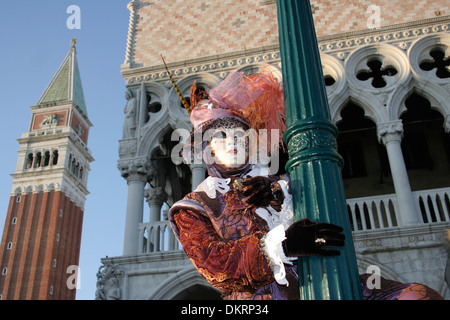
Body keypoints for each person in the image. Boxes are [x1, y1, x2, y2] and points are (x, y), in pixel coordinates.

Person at [168, 69, 443, 300]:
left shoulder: (278, 181)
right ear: (209, 149)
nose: (234, 142)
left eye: (240, 134)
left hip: (323, 279)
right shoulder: (193, 207)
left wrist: (278, 191)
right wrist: (282, 246)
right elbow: (217, 266)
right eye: (222, 136)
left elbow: (313, 204)